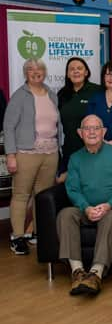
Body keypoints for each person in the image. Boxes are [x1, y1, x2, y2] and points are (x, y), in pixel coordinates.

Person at [57, 115, 112, 295]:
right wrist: (86, 207)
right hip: (86, 208)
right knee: (65, 214)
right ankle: (78, 272)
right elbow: (72, 189)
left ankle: (96, 274)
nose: (92, 132)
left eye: (96, 128)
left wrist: (108, 205)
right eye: (87, 129)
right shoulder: (75, 158)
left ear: (103, 132)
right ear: (80, 133)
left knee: (110, 218)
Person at [4, 59, 60, 254]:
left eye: (39, 69)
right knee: (21, 195)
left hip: (50, 152)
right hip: (26, 153)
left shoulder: (51, 94)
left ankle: (37, 232)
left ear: (44, 72)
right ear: (25, 73)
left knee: (43, 196)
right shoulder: (19, 96)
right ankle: (17, 237)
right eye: (31, 70)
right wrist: (11, 155)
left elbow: (56, 123)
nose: (36, 72)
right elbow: (9, 127)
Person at [57, 57, 101, 180]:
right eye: (72, 69)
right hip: (69, 151)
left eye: (79, 68)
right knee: (70, 189)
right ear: (67, 74)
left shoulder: (97, 91)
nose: (76, 71)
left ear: (86, 72)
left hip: (92, 151)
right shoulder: (62, 94)